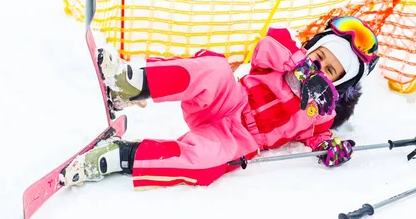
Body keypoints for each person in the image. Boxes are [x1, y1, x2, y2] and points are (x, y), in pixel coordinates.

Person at [60, 16, 379, 190]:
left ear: (339, 82)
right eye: (320, 56)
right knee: (214, 69)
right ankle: (130, 86)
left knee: (208, 162)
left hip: (239, 139)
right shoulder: (285, 57)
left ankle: (122, 155)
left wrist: (332, 148)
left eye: (330, 70)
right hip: (229, 101)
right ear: (311, 49)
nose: (320, 68)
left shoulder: (318, 115)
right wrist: (302, 68)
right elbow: (269, 43)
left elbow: (319, 138)